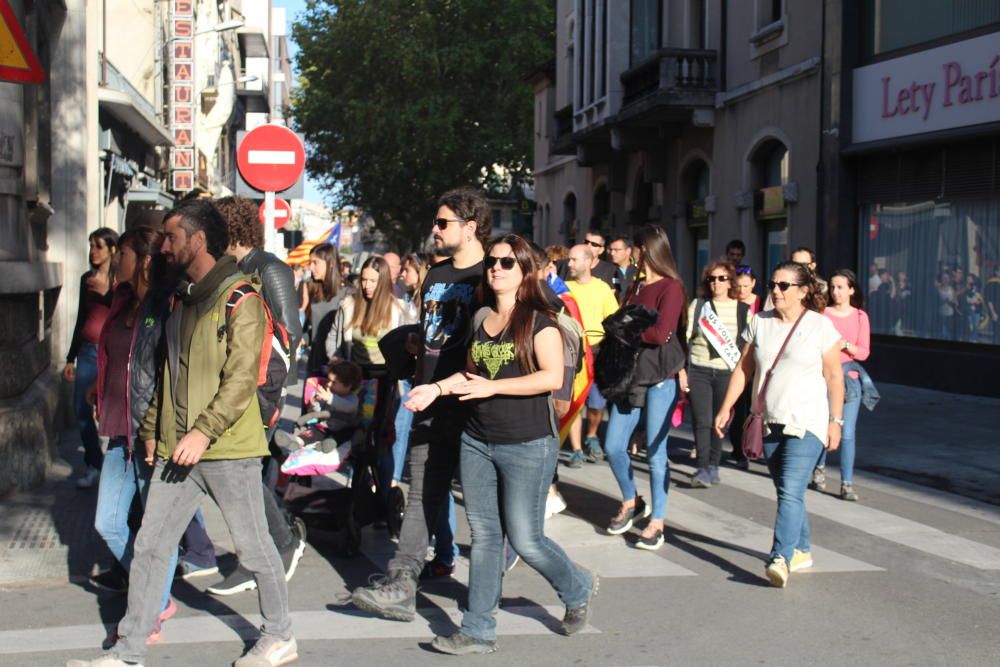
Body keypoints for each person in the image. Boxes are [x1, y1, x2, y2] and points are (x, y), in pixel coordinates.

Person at [67, 199, 297, 667]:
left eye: (172, 237)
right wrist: (153, 429)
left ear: (197, 239)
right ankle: (130, 648)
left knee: (254, 547)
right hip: (177, 448)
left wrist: (203, 433)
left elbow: (239, 383)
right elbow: (168, 373)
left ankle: (280, 634)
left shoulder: (242, 299)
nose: (163, 247)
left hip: (228, 449)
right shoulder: (181, 299)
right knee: (151, 545)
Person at [405, 234, 598, 655]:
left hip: (528, 443)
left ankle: (577, 585)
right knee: (487, 536)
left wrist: (494, 388)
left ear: (525, 270)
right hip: (477, 440)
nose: (496, 268)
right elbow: (468, 376)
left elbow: (550, 377)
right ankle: (477, 629)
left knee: (527, 541)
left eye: (507, 262)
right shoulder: (480, 319)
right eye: (492, 261)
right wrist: (434, 390)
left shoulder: (540, 320)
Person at [350, 187, 490, 621]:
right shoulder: (436, 275)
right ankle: (402, 583)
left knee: (496, 515)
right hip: (427, 401)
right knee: (422, 495)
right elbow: (433, 333)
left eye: (443, 222)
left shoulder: (493, 273)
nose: (435, 229)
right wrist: (415, 343)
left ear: (470, 227)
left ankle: (564, 583)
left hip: (474, 407)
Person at [714, 262, 844, 588]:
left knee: (789, 489)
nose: (776, 291)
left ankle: (780, 557)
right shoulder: (760, 322)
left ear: (803, 291)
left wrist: (835, 420)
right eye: (774, 284)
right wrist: (727, 407)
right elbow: (743, 369)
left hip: (808, 422)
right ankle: (802, 548)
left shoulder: (819, 326)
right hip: (769, 420)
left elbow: (833, 376)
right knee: (788, 490)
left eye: (784, 286)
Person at [207, 196, 307, 596]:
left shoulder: (269, 268)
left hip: (261, 391)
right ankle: (266, 546)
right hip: (238, 387)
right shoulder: (231, 269)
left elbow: (289, 336)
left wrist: (272, 396)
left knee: (243, 474)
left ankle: (279, 544)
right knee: (241, 474)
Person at [87, 227, 179, 642]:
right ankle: (152, 589)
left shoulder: (165, 305)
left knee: (156, 532)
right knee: (108, 522)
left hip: (150, 434)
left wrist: (159, 429)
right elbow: (114, 355)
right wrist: (99, 386)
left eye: (121, 252)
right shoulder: (121, 299)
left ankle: (151, 606)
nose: (115, 259)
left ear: (141, 259)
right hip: (118, 432)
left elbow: (165, 371)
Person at [603, 225, 687, 551]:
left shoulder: (672, 286)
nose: (631, 254)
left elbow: (661, 333)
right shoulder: (635, 286)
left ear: (645, 249)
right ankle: (631, 500)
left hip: (661, 376)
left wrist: (625, 330)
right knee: (612, 446)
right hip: (630, 375)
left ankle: (658, 522)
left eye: (635, 248)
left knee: (656, 453)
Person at [684, 261, 750, 488]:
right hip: (699, 369)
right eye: (712, 278)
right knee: (701, 420)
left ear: (731, 282)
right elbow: (686, 337)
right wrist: (682, 371)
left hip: (727, 372)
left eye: (722, 278)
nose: (716, 283)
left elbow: (748, 345)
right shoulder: (699, 305)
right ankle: (702, 467)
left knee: (719, 421)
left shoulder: (742, 310)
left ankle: (714, 465)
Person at [65, 227, 119, 489]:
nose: (93, 251)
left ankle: (117, 467)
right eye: (91, 245)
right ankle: (94, 463)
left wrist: (107, 294)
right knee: (82, 410)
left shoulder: (121, 281)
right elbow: (80, 319)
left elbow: (124, 312)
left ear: (112, 249)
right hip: (87, 352)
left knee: (110, 412)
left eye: (99, 245)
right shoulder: (87, 278)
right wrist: (70, 357)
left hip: (112, 353)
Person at [814, 269, 871, 502]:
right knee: (822, 426)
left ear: (851, 290)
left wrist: (844, 344)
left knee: (847, 433)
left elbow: (864, 352)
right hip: (824, 376)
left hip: (850, 379)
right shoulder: (823, 314)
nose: (836, 292)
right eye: (833, 287)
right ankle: (818, 470)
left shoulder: (860, 317)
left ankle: (846, 483)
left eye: (840, 287)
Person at [565, 243, 619, 466]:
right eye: (569, 259)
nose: (569, 264)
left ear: (588, 262)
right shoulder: (563, 288)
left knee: (597, 403)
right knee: (574, 401)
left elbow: (613, 318)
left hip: (596, 351)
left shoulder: (602, 288)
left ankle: (592, 434)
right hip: (572, 350)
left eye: (574, 260)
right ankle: (577, 449)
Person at [278, 360, 363, 450]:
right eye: (329, 380)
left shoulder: (352, 399)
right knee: (310, 433)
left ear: (348, 386)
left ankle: (326, 446)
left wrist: (330, 398)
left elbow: (349, 407)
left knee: (347, 434)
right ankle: (296, 441)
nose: (329, 384)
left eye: (333, 382)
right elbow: (319, 412)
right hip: (324, 428)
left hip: (342, 431)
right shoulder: (328, 393)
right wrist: (315, 402)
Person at [305, 243, 350, 376]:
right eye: (310, 263)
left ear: (330, 263)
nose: (311, 267)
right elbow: (313, 330)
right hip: (315, 363)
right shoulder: (315, 291)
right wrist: (301, 338)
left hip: (338, 367)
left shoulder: (348, 294)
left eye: (315, 262)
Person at [607, 235, 638, 303]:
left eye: (616, 250)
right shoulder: (607, 270)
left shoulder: (638, 272)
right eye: (611, 250)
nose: (612, 253)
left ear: (628, 251)